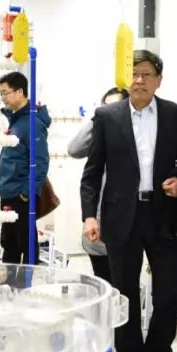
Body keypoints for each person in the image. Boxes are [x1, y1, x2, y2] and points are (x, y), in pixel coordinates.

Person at [80, 50, 177, 352]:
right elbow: (92, 172)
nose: (139, 80)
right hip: (120, 216)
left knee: (169, 294)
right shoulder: (107, 116)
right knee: (124, 293)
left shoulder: (175, 115)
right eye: (134, 73)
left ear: (159, 80)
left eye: (146, 74)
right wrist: (89, 215)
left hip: (162, 215)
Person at [68, 86, 129, 284]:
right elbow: (74, 149)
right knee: (103, 284)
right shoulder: (100, 134)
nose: (109, 113)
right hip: (99, 225)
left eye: (114, 108)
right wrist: (96, 119)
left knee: (124, 286)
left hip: (127, 225)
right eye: (105, 108)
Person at [0, 71, 51, 265]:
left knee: (26, 244)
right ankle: (9, 282)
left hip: (20, 195)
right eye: (1, 94)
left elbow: (41, 162)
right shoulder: (17, 121)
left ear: (20, 92)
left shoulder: (32, 123)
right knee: (9, 243)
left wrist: (26, 192)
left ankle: (29, 281)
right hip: (9, 193)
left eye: (5, 93)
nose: (3, 98)